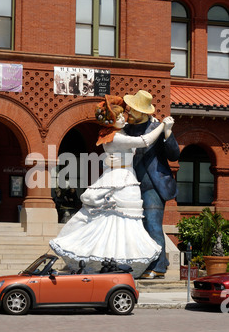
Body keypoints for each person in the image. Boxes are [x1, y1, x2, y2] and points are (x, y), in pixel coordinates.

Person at [49, 95, 174, 278]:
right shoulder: (115, 136)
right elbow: (144, 141)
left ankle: (134, 262)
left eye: (125, 114)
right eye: (120, 117)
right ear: (112, 122)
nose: (125, 117)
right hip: (121, 180)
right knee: (118, 219)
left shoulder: (120, 132)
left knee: (123, 221)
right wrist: (163, 125)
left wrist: (157, 124)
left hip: (127, 178)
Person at [123, 90, 180, 279]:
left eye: (133, 109)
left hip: (152, 186)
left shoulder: (156, 127)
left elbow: (174, 155)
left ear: (143, 112)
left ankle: (158, 267)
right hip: (131, 185)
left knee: (152, 224)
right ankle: (144, 263)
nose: (128, 111)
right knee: (135, 226)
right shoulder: (126, 129)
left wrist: (168, 132)